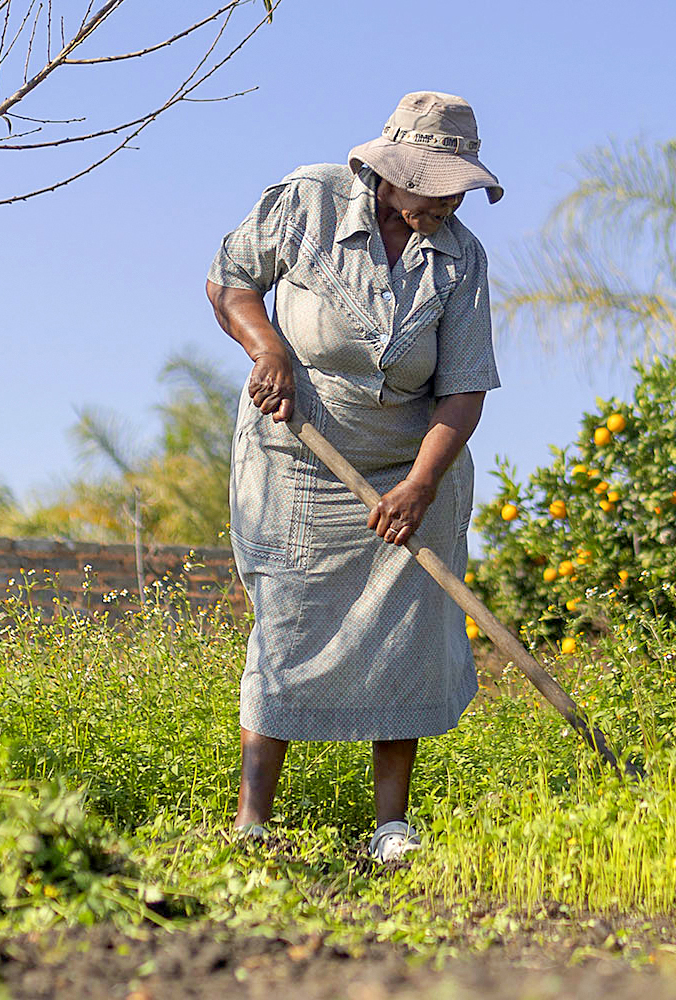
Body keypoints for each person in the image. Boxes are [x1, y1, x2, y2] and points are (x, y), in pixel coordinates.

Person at [204, 91, 503, 863]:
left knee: (407, 634)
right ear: (391, 170)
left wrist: (421, 485)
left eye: (457, 191)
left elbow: (463, 388)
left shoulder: (462, 258)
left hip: (413, 464)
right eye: (433, 186)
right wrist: (268, 349)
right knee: (287, 623)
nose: (445, 203)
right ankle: (252, 824)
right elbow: (230, 282)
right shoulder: (307, 201)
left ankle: (390, 828)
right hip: (299, 449)